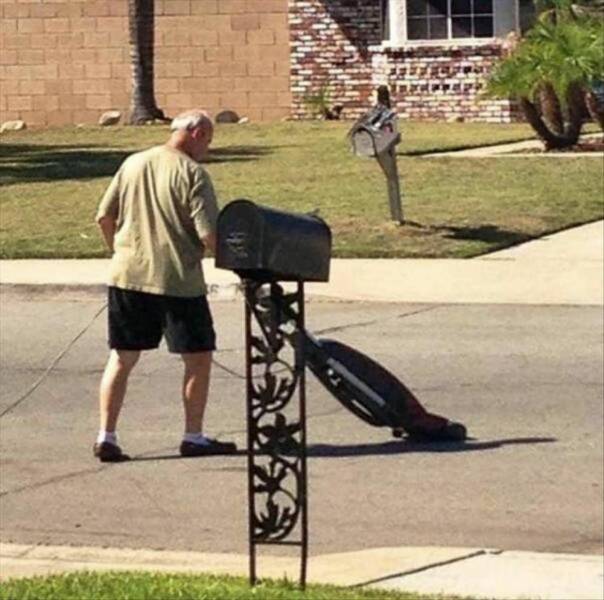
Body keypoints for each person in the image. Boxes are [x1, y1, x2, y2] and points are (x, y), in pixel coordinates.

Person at [94, 109, 237, 462]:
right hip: (178, 282)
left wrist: (119, 250)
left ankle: (106, 436)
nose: (208, 148)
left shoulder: (133, 163)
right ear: (197, 133)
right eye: (209, 140)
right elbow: (208, 233)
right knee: (198, 358)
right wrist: (233, 264)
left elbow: (103, 215)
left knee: (122, 357)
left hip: (128, 276)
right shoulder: (193, 175)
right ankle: (193, 436)